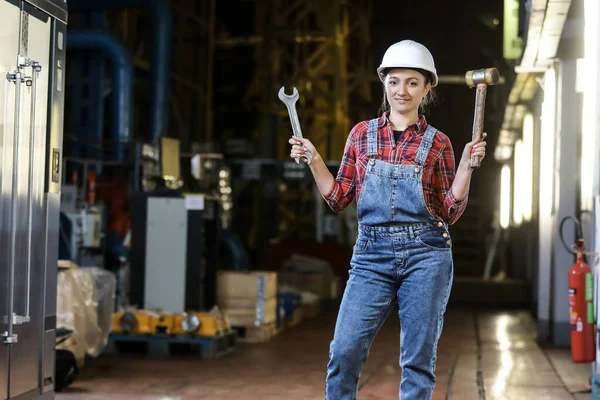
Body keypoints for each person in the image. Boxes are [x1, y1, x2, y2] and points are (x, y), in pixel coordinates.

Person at [288, 40, 487, 399]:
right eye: (394, 81)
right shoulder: (361, 135)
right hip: (371, 255)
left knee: (417, 361)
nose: (402, 90)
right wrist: (315, 158)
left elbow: (450, 211)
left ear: (427, 88)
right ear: (384, 83)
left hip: (426, 254)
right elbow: (338, 198)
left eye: (413, 82)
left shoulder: (439, 143)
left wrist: (466, 168)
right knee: (344, 351)